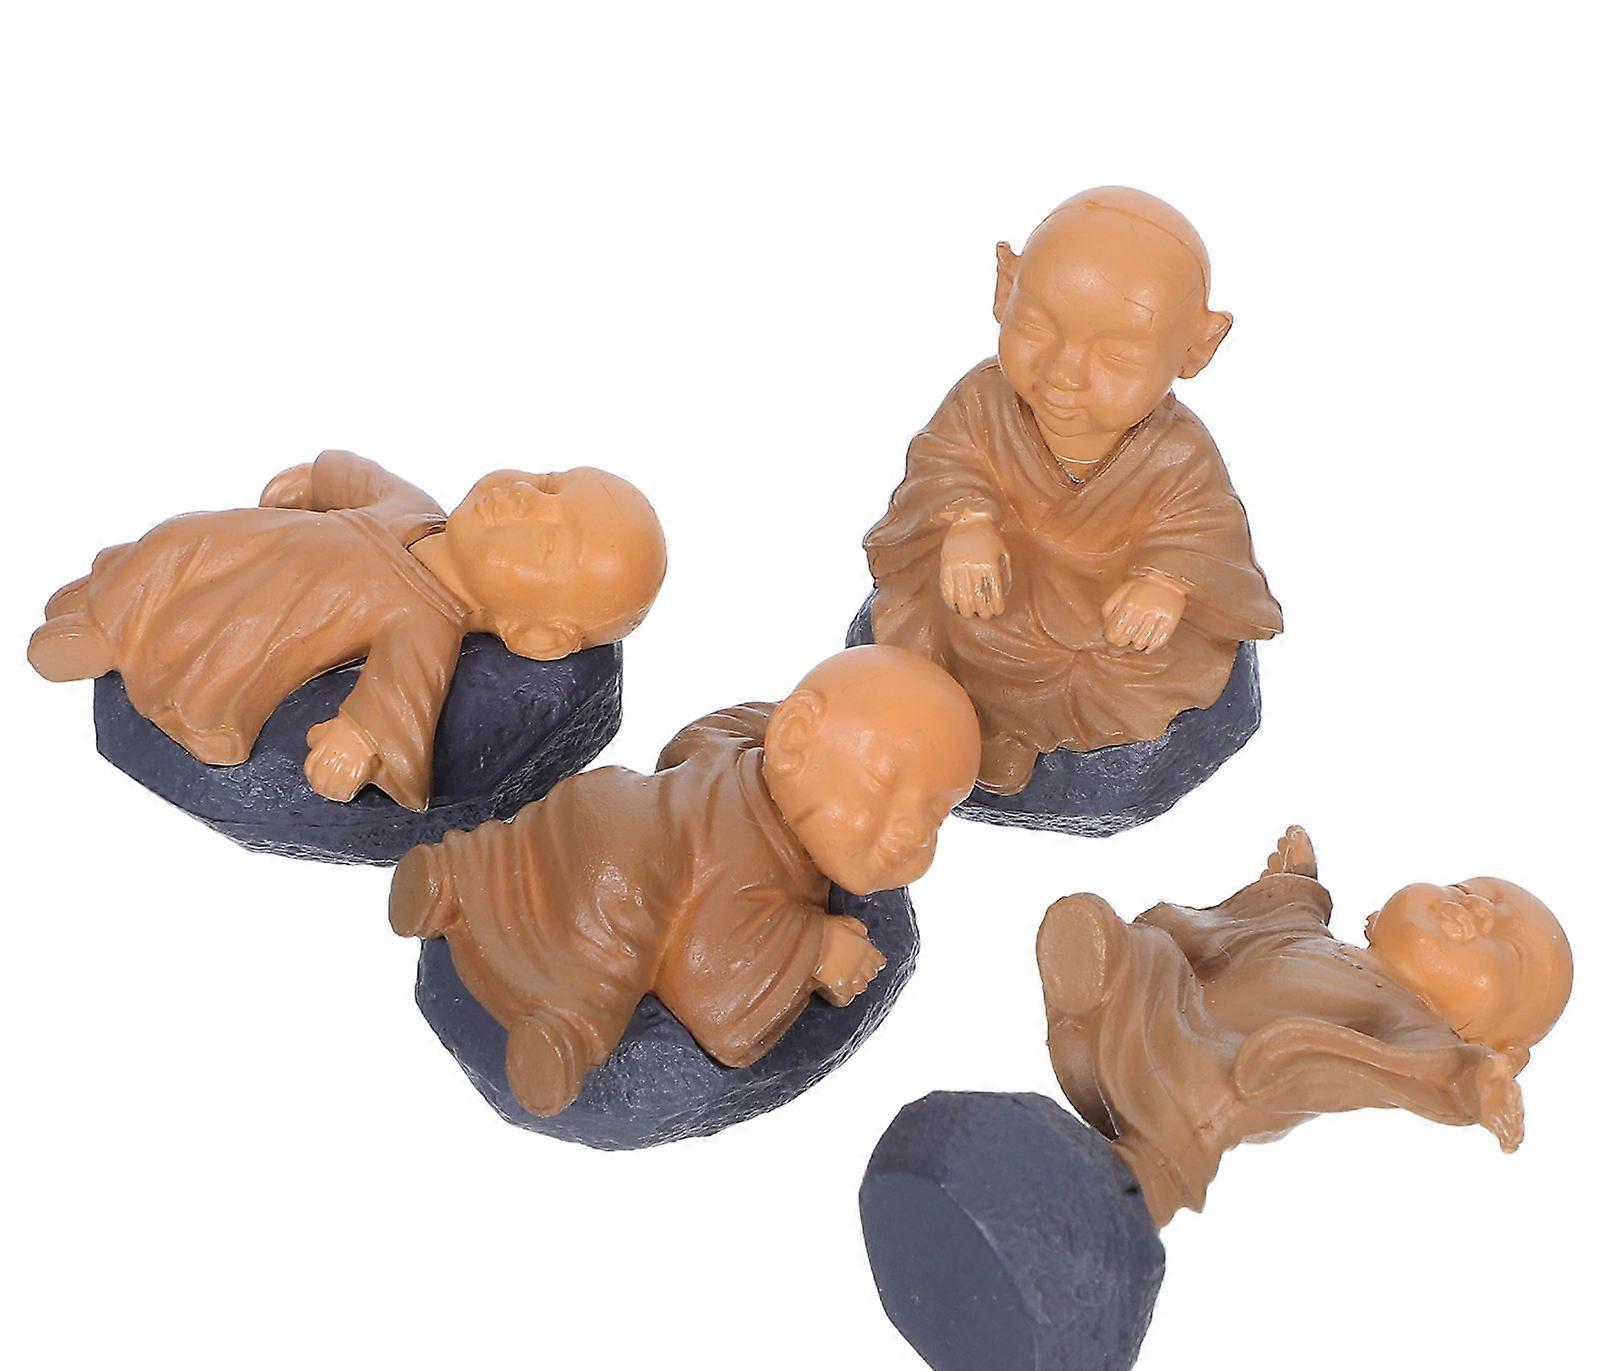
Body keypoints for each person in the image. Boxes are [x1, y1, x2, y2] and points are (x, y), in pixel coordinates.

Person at [390, 646, 982, 1116]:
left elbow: (693, 739)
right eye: (883, 787)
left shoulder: (737, 750)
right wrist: (819, 948)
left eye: (935, 813)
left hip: (603, 798)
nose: (911, 833)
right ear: (795, 739)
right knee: (610, 962)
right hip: (629, 876)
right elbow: (716, 1001)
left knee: (515, 849)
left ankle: (452, 876)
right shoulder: (753, 871)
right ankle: (563, 1037)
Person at [865, 187, 1282, 794]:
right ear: (1005, 290)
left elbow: (1204, 529)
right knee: (965, 622)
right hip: (1005, 589)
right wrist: (968, 521)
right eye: (1036, 326)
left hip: (1108, 618)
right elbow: (944, 460)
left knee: (1139, 663)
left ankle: (1047, 750)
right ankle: (979, 737)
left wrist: (1165, 583)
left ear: (1196, 348)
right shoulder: (984, 400)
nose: (1064, 373)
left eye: (1118, 358)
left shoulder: (1176, 450)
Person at [28, 450, 667, 809]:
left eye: (548, 545)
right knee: (180, 544)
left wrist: (359, 741)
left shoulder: (427, 622)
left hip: (291, 618)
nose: (525, 501)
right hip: (254, 542)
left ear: (536, 638)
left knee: (241, 643)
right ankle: (100, 622)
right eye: (549, 484)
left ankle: (170, 687)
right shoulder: (413, 509)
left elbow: (401, 694)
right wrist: (316, 478)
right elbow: (363, 479)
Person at [1037, 827, 1574, 1226]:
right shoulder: (1314, 939)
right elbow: (1264, 925)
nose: (1477, 911)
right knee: (1148, 953)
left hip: (1235, 1069)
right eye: (1468, 890)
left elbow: (1430, 1068)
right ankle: (1095, 993)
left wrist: (1477, 1080)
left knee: (1204, 1105)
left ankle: (1144, 1184)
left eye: (1510, 951)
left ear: (1488, 1042)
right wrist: (1291, 884)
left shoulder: (1410, 1023)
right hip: (1181, 1008)